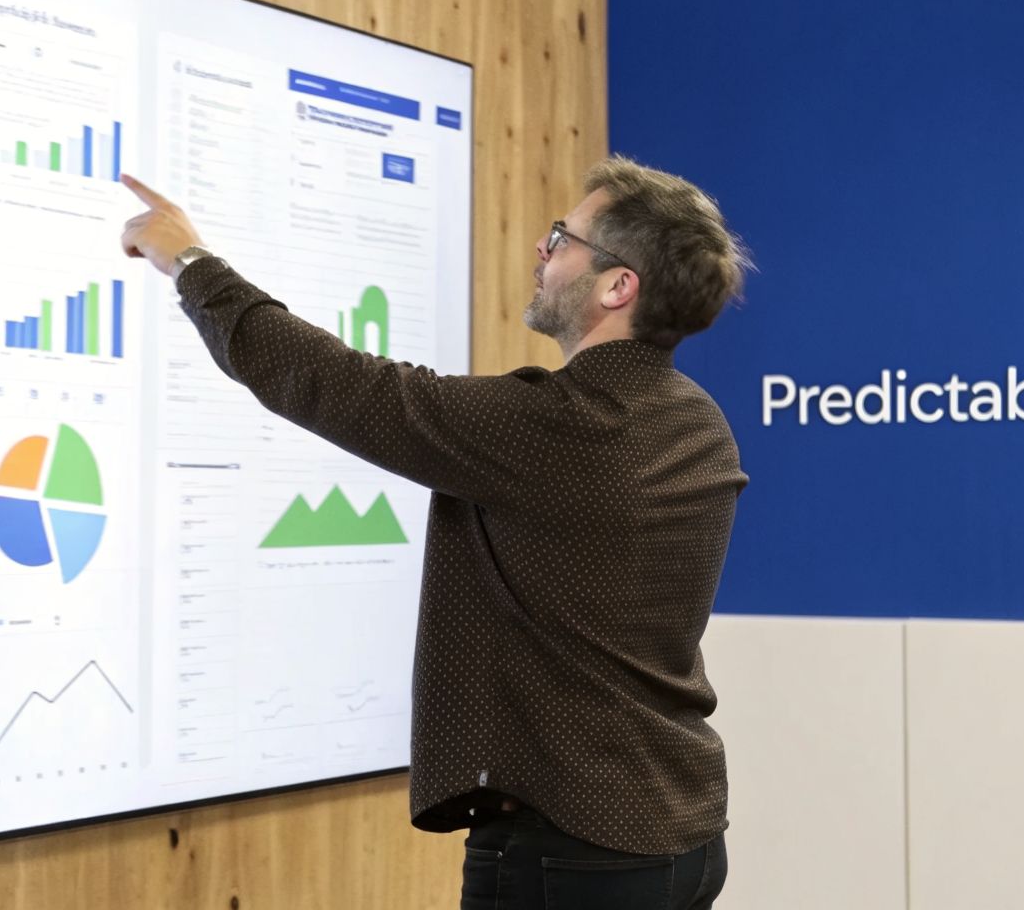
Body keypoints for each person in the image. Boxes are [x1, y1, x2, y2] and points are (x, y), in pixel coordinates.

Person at [120, 155, 753, 910]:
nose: (542, 255)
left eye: (563, 239)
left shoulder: (554, 430)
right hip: (680, 834)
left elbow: (327, 379)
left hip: (571, 857)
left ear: (619, 287)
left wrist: (189, 261)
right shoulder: (697, 421)